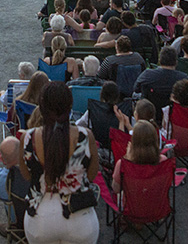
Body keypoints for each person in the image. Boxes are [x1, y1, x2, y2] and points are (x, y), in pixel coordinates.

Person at [19, 81, 99, 244]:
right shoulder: (86, 136)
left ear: (41, 107)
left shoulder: (27, 138)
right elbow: (91, 175)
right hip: (79, 218)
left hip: (40, 219)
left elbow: (27, 175)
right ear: (70, 106)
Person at [111, 121, 165, 195]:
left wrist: (127, 157)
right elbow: (166, 185)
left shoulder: (122, 165)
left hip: (131, 205)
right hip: (157, 203)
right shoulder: (163, 161)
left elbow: (115, 189)